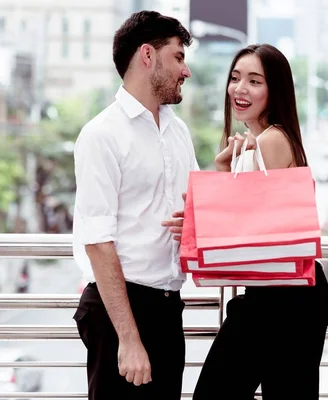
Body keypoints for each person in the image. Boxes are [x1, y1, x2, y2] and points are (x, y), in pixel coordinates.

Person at [166, 43, 328, 399]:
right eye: (236, 77)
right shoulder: (265, 141)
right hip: (283, 295)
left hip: (284, 300)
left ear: (275, 91)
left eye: (255, 81)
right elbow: (249, 220)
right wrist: (225, 168)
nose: (240, 89)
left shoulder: (271, 142)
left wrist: (198, 223)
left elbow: (245, 231)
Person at [71, 10, 196, 400]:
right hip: (120, 313)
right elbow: (97, 241)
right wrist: (129, 338)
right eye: (178, 57)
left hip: (167, 308)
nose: (185, 71)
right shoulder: (101, 135)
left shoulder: (178, 130)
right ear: (147, 55)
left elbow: (194, 207)